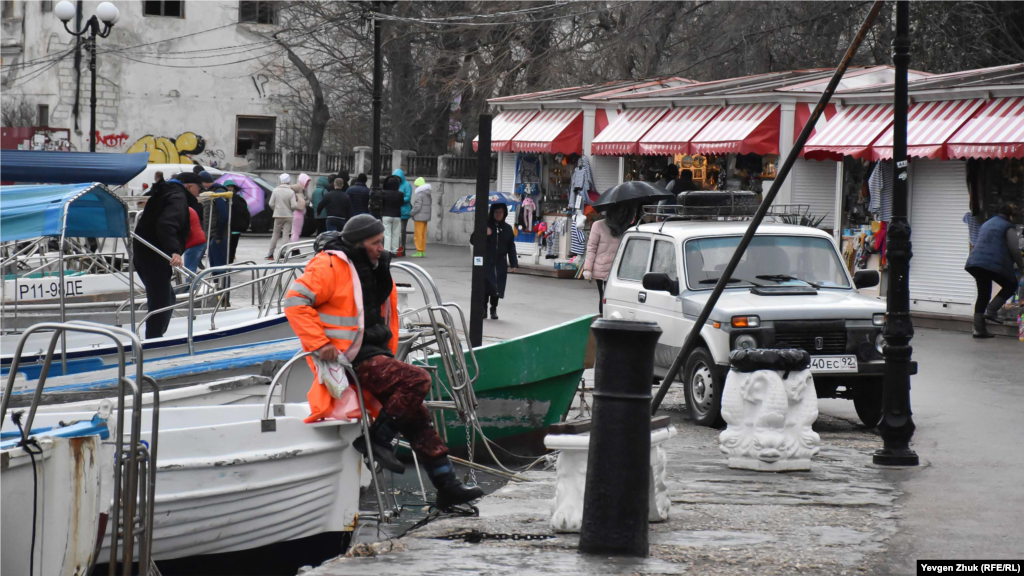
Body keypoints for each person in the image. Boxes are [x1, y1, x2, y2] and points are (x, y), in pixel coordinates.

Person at [283, 218, 484, 509]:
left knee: (418, 414)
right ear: (358, 244)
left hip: (375, 353)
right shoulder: (328, 265)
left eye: (382, 241)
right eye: (376, 243)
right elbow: (295, 302)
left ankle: (447, 486)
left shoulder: (376, 269)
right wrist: (320, 344)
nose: (382, 248)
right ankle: (376, 440)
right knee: (417, 380)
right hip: (350, 358)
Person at [133, 173, 192, 339]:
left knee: (167, 297)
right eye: (197, 189)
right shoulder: (178, 197)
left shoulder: (163, 193)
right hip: (153, 256)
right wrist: (175, 250)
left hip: (144, 253)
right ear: (189, 186)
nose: (198, 193)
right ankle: (153, 339)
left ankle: (155, 334)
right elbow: (166, 223)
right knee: (161, 301)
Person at [964, 204, 1024, 338]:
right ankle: (991, 311)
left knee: (983, 294)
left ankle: (979, 329)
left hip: (975, 262)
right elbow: (1014, 248)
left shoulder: (987, 223)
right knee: (1011, 284)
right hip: (990, 263)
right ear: (1011, 216)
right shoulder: (1008, 226)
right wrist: (1022, 266)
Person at [583, 203, 633, 314]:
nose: (620, 215)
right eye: (618, 211)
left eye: (623, 212)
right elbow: (591, 248)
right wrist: (587, 269)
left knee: (613, 298)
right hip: (601, 268)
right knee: (604, 297)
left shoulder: (626, 227)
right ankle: (602, 319)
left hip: (618, 270)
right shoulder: (598, 225)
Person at [475, 202, 518, 320]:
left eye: (501, 212)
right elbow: (473, 240)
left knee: (496, 287)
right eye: (496, 212)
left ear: (504, 213)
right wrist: (484, 234)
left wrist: (513, 263)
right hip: (487, 261)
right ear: (492, 213)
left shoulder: (508, 229)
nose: (498, 214)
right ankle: (483, 308)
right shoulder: (485, 225)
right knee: (485, 286)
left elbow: (511, 247)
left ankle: (493, 308)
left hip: (500, 263)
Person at [267, 173, 297, 260]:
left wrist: (276, 209)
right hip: (288, 216)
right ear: (289, 181)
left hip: (278, 215)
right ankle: (283, 253)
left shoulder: (275, 190)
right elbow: (294, 205)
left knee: (275, 234)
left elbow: (271, 203)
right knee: (286, 234)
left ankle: (270, 253)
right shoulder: (291, 192)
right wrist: (291, 209)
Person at [393, 169, 413, 257]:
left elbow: (408, 198)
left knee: (402, 229)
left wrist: (398, 200)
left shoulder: (407, 185)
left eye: (398, 178)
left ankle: (403, 246)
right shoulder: (396, 185)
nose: (396, 179)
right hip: (397, 209)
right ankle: (397, 247)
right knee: (396, 230)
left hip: (404, 209)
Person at [381, 175, 404, 253]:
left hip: (386, 214)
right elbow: (401, 203)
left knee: (387, 234)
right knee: (396, 234)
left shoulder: (384, 193)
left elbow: (382, 203)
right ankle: (395, 250)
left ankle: (387, 250)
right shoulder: (400, 194)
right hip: (397, 215)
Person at [410, 177, 432, 258]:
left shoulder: (419, 194)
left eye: (416, 185)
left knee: (418, 234)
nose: (415, 187)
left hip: (419, 217)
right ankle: (422, 250)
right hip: (425, 217)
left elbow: (417, 207)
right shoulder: (428, 194)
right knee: (423, 234)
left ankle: (419, 250)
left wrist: (411, 213)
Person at [292, 173, 312, 244]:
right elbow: (289, 190)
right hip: (297, 213)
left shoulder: (304, 189)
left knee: (297, 232)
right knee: (296, 232)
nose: (307, 184)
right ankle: (295, 249)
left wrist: (306, 202)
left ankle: (295, 248)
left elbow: (308, 199)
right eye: (306, 182)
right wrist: (295, 198)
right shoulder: (297, 187)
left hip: (300, 212)